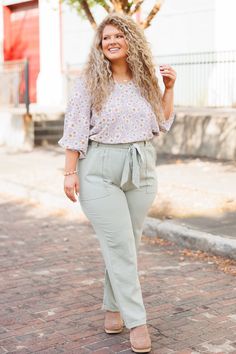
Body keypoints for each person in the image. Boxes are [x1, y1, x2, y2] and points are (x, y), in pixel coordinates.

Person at [58, 12, 176, 353]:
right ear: (100, 45)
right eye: (105, 37)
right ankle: (137, 322)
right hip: (99, 169)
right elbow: (76, 129)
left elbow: (162, 123)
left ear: (130, 41)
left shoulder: (145, 82)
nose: (111, 41)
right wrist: (69, 172)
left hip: (142, 167)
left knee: (127, 244)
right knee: (122, 246)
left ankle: (112, 307)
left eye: (118, 36)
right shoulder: (88, 83)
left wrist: (169, 88)